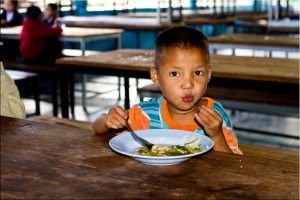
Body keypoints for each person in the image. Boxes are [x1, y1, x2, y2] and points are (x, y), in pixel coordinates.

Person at [92, 27, 242, 155]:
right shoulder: (145, 114)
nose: (188, 84)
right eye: (175, 74)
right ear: (156, 77)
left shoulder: (215, 116)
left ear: (208, 75)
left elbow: (234, 165)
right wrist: (107, 120)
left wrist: (216, 136)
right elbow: (97, 127)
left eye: (197, 73)